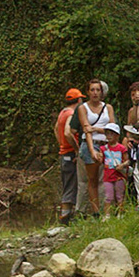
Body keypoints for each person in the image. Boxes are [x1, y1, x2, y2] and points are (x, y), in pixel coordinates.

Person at [74, 79, 117, 216]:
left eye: (98, 90)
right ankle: (96, 211)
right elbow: (87, 129)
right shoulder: (82, 108)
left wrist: (97, 129)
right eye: (92, 90)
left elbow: (113, 128)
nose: (95, 93)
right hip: (90, 144)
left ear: (102, 92)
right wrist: (92, 150)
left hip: (106, 145)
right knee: (92, 179)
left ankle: (109, 209)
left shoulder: (108, 107)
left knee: (108, 178)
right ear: (88, 92)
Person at [54, 88, 83, 221]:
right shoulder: (71, 114)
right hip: (70, 154)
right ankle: (65, 216)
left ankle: (66, 214)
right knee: (72, 185)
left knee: (67, 184)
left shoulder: (62, 112)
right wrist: (76, 149)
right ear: (78, 100)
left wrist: (61, 144)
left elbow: (56, 129)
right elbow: (67, 132)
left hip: (63, 153)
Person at [97, 125, 132, 216]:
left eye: (111, 134)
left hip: (119, 176)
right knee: (108, 196)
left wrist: (122, 165)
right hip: (108, 176)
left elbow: (128, 161)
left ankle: (120, 213)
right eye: (107, 134)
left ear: (117, 135)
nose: (109, 136)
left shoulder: (121, 148)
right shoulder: (103, 149)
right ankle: (107, 215)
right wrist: (98, 157)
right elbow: (101, 161)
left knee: (119, 196)